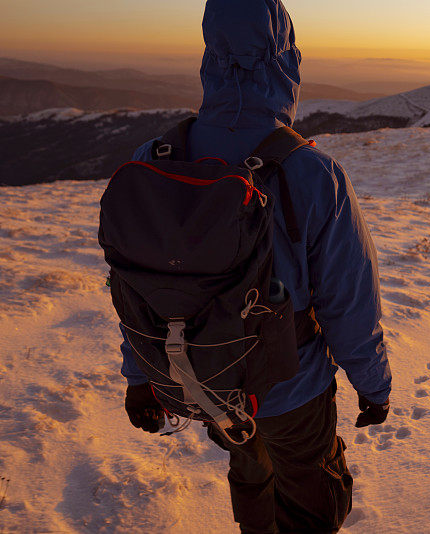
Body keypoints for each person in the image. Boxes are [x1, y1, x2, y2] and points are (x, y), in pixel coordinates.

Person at [118, 1, 392, 532]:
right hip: (293, 388)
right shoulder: (311, 173)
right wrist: (373, 386)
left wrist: (139, 377)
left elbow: (137, 286)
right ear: (285, 59)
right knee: (311, 495)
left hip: (208, 383)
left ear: (209, 57)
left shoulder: (154, 158)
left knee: (249, 468)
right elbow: (349, 302)